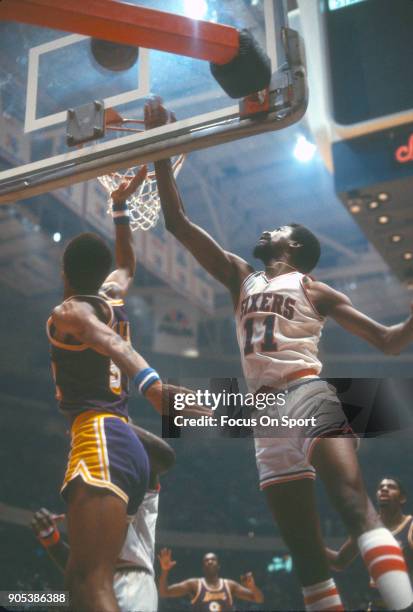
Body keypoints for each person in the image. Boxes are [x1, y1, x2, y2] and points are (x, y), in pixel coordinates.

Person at [145, 96, 413, 611]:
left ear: (294, 246)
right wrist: (162, 148)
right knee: (308, 559)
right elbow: (177, 223)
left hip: (307, 393)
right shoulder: (240, 277)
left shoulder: (315, 288)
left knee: (356, 507)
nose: (267, 230)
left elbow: (389, 340)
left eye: (279, 229)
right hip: (262, 416)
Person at [46, 167, 210, 612]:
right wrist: (119, 209)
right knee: (80, 579)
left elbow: (112, 342)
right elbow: (126, 263)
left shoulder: (71, 311)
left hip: (100, 437)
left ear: (64, 271)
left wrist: (154, 387)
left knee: (93, 580)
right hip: (122, 443)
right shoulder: (111, 294)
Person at [32, 424, 175, 612]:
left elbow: (163, 457)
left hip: (131, 581)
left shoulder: (137, 484)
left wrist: (104, 419)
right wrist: (51, 539)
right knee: (41, 599)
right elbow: (85, 566)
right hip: (92, 584)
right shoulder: (85, 500)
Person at [326, 477, 413, 610]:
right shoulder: (366, 528)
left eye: (391, 487)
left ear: (402, 498)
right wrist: (311, 545)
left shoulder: (410, 526)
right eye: (381, 487)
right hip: (376, 607)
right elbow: (339, 561)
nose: (384, 489)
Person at [158, 548, 264, 609]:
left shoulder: (230, 585)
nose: (210, 561)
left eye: (213, 559)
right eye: (206, 560)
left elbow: (259, 599)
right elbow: (163, 592)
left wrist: (252, 587)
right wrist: (164, 570)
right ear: (203, 567)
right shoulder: (194, 584)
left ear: (218, 566)